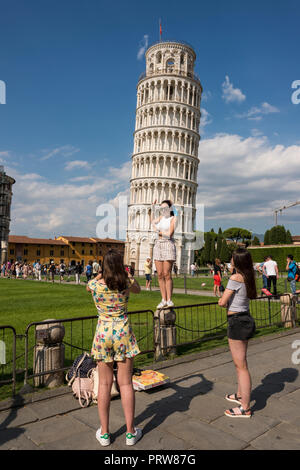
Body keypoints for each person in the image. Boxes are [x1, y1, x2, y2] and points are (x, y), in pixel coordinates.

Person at [86, 249, 142, 446]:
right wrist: (125, 273)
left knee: (104, 385)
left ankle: (105, 433)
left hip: (103, 333)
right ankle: (130, 432)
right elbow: (138, 289)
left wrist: (102, 273)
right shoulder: (126, 283)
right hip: (122, 333)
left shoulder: (94, 285)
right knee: (126, 384)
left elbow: (88, 286)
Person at [218, 248, 257, 418]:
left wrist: (221, 299)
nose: (230, 260)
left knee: (241, 367)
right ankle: (240, 395)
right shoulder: (248, 277)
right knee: (241, 363)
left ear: (237, 261)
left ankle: (245, 408)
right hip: (245, 319)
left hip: (237, 322)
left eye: (232, 258)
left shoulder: (235, 278)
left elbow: (223, 301)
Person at [150, 199, 177, 309]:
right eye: (161, 208)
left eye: (165, 207)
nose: (163, 210)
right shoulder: (161, 218)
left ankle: (169, 299)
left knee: (167, 274)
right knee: (160, 274)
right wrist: (152, 208)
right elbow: (152, 222)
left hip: (168, 244)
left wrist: (159, 231)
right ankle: (163, 299)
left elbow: (169, 234)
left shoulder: (173, 218)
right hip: (158, 244)